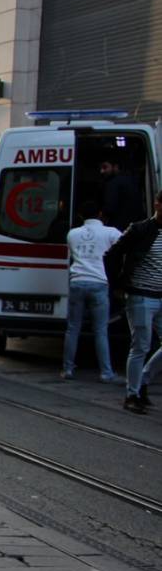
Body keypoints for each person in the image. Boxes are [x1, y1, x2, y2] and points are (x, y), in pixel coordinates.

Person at [105, 190, 162, 414]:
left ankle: (144, 381)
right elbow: (112, 254)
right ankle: (132, 394)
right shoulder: (140, 230)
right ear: (157, 205)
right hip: (140, 296)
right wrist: (117, 285)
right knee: (141, 345)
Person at [62, 200, 121, 383]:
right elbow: (126, 243)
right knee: (101, 330)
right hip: (99, 283)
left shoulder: (72, 234)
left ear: (80, 216)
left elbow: (72, 254)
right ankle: (106, 372)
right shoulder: (110, 232)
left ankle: (68, 369)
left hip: (77, 282)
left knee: (73, 328)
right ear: (101, 214)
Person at [101, 157, 143, 234]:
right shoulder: (133, 181)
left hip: (118, 229)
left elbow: (110, 208)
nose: (102, 171)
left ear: (116, 167)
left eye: (105, 167)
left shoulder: (113, 183)